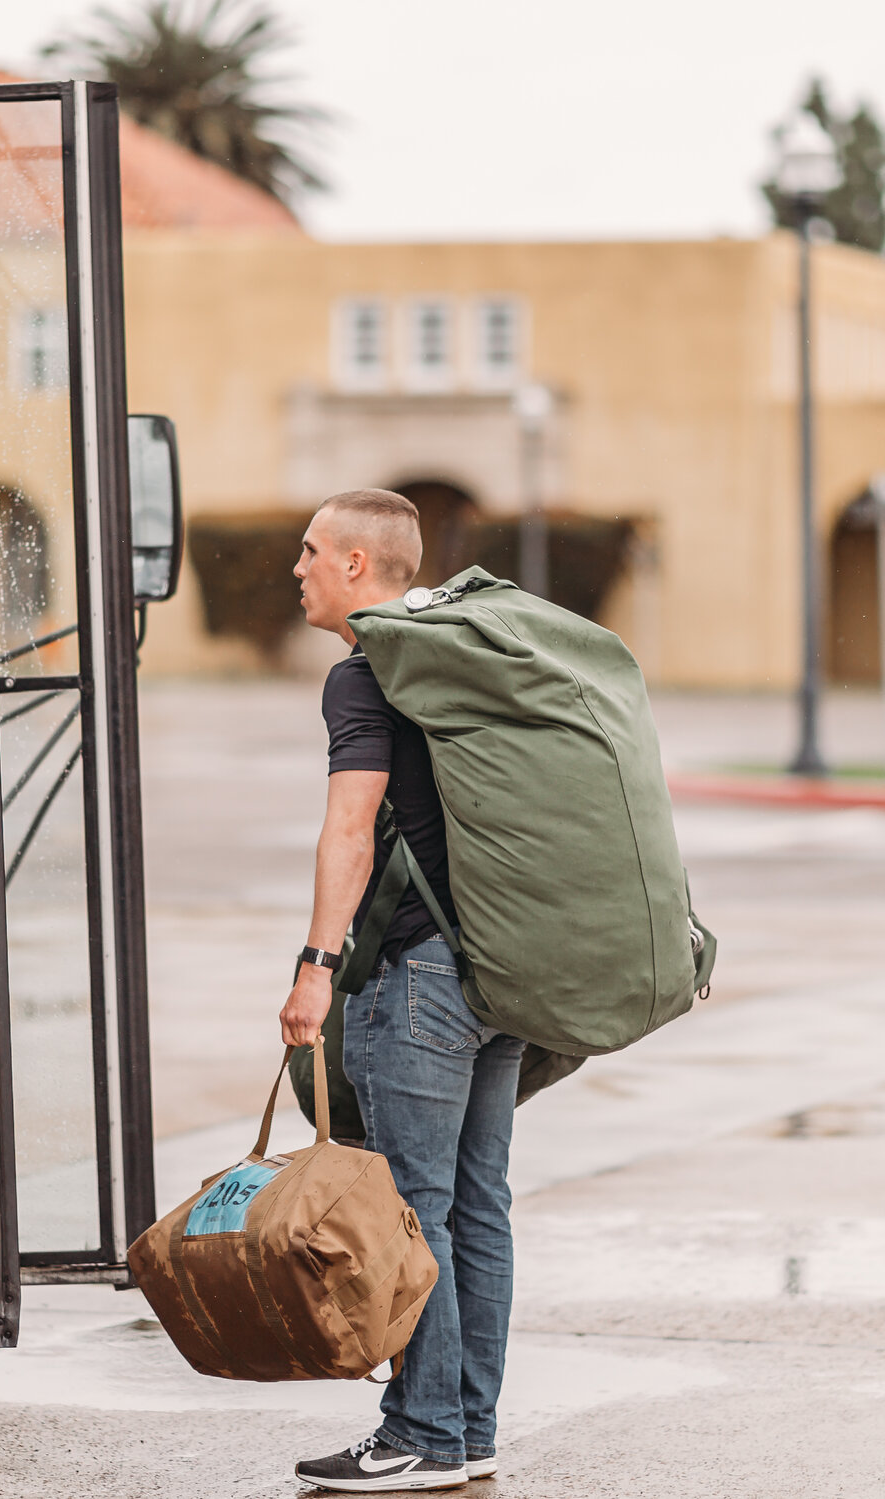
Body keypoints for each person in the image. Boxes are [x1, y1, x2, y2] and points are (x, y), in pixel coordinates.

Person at [281, 488, 522, 1494]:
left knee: (413, 1211)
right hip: (504, 967)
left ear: (354, 566)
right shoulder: (460, 652)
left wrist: (316, 964)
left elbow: (350, 825)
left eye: (308, 551)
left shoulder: (364, 673)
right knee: (477, 1203)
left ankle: (421, 1430)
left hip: (417, 972)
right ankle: (466, 1425)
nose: (295, 568)